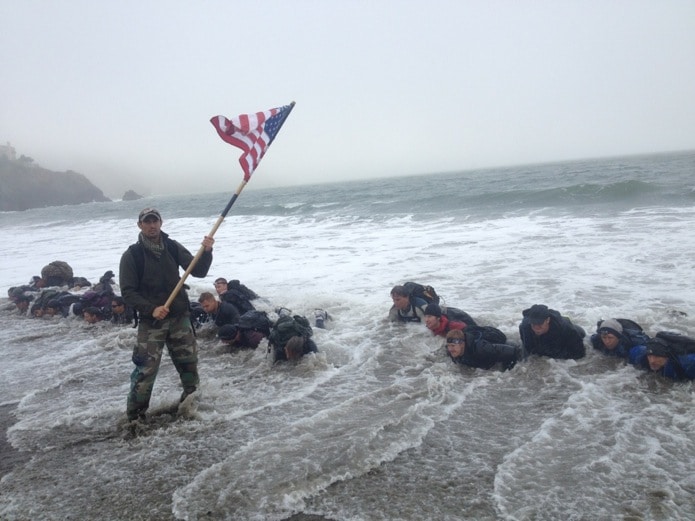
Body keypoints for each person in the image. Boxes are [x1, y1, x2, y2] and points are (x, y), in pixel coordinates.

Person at [119, 207, 214, 423]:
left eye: (155, 221)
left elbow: (198, 271)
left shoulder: (171, 246)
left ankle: (190, 407)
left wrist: (206, 252)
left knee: (189, 364)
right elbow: (128, 292)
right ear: (140, 225)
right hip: (152, 322)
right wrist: (151, 308)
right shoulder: (132, 255)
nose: (151, 225)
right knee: (145, 371)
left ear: (161, 222)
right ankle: (135, 418)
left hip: (179, 317)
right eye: (147, 222)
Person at [519, 304, 586, 360]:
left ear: (548, 320)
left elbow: (580, 354)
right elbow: (527, 348)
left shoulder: (565, 328)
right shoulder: (525, 326)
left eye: (539, 324)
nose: (536, 328)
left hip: (577, 333)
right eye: (533, 324)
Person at [445, 329, 523, 371]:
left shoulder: (481, 349)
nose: (450, 349)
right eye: (448, 346)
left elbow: (514, 352)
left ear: (462, 344)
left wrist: (510, 370)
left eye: (453, 346)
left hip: (504, 346)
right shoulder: (451, 352)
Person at [629, 334, 695, 380]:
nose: (652, 361)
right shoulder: (638, 354)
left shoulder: (688, 363)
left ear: (667, 357)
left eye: (657, 357)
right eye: (650, 356)